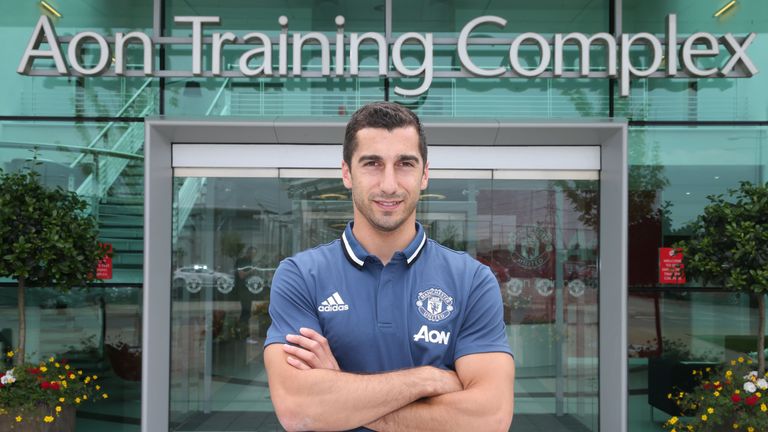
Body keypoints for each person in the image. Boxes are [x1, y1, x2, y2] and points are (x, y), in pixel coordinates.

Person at [264, 102, 515, 431]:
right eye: (372, 164)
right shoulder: (301, 277)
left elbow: (489, 417)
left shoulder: (471, 280)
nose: (389, 184)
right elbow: (299, 409)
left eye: (405, 164)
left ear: (424, 174)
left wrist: (342, 398)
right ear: (346, 173)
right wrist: (427, 381)